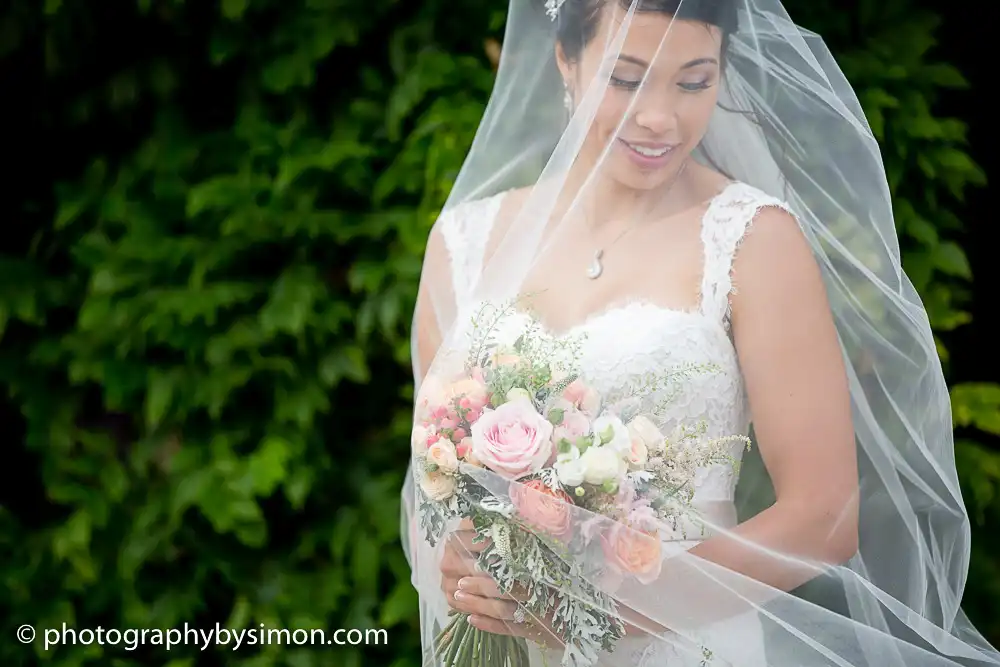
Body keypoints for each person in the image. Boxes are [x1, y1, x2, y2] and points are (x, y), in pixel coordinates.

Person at [401, 1, 1000, 665]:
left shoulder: (752, 239)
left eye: (693, 81)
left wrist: (598, 612)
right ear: (566, 62)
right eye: (626, 79)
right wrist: (459, 561)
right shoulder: (465, 243)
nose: (661, 118)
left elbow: (823, 514)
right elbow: (436, 482)